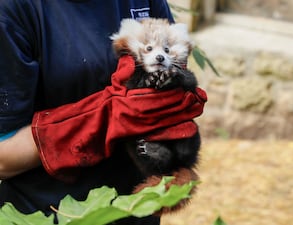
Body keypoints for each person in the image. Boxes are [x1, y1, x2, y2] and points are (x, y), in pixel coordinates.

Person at [0, 1, 205, 224]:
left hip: (135, 207)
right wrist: (103, 119)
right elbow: (3, 159)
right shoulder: (13, 9)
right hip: (51, 213)